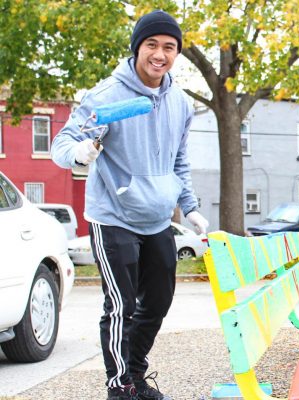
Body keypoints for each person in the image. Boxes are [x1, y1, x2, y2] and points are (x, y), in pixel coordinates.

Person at [52, 10, 208, 400]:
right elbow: (63, 144)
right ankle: (120, 387)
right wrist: (81, 153)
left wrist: (189, 206)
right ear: (137, 48)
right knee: (121, 305)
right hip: (114, 215)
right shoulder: (105, 97)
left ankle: (134, 374)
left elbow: (179, 160)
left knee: (158, 301)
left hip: (157, 218)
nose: (160, 54)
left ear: (177, 54)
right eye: (152, 45)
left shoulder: (180, 103)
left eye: (169, 47)